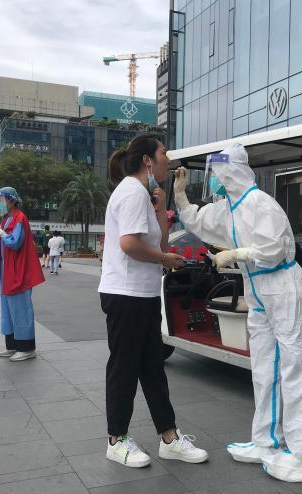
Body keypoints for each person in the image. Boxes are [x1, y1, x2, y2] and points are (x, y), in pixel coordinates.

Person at [173, 143, 302, 483]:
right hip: (259, 290)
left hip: (284, 288)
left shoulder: (261, 204)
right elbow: (202, 222)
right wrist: (182, 199)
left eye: (215, 172)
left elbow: (274, 250)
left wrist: (236, 254)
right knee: (264, 369)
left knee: (298, 370)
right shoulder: (229, 208)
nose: (213, 179)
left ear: (229, 171)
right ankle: (267, 442)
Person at [99, 135, 208, 468]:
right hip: (126, 293)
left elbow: (158, 238)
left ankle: (169, 437)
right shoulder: (131, 192)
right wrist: (164, 259)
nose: (168, 160)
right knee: (125, 367)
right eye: (163, 154)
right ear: (147, 160)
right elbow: (130, 245)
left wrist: (160, 207)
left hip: (142, 294)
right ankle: (116, 440)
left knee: (152, 368)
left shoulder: (144, 195)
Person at [0, 187, 45, 361]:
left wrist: (0, 232)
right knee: (8, 310)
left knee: (20, 309)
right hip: (7, 270)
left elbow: (15, 242)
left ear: (11, 200)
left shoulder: (19, 217)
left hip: (18, 270)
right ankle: (12, 346)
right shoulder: (7, 219)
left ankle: (26, 348)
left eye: (1, 200)